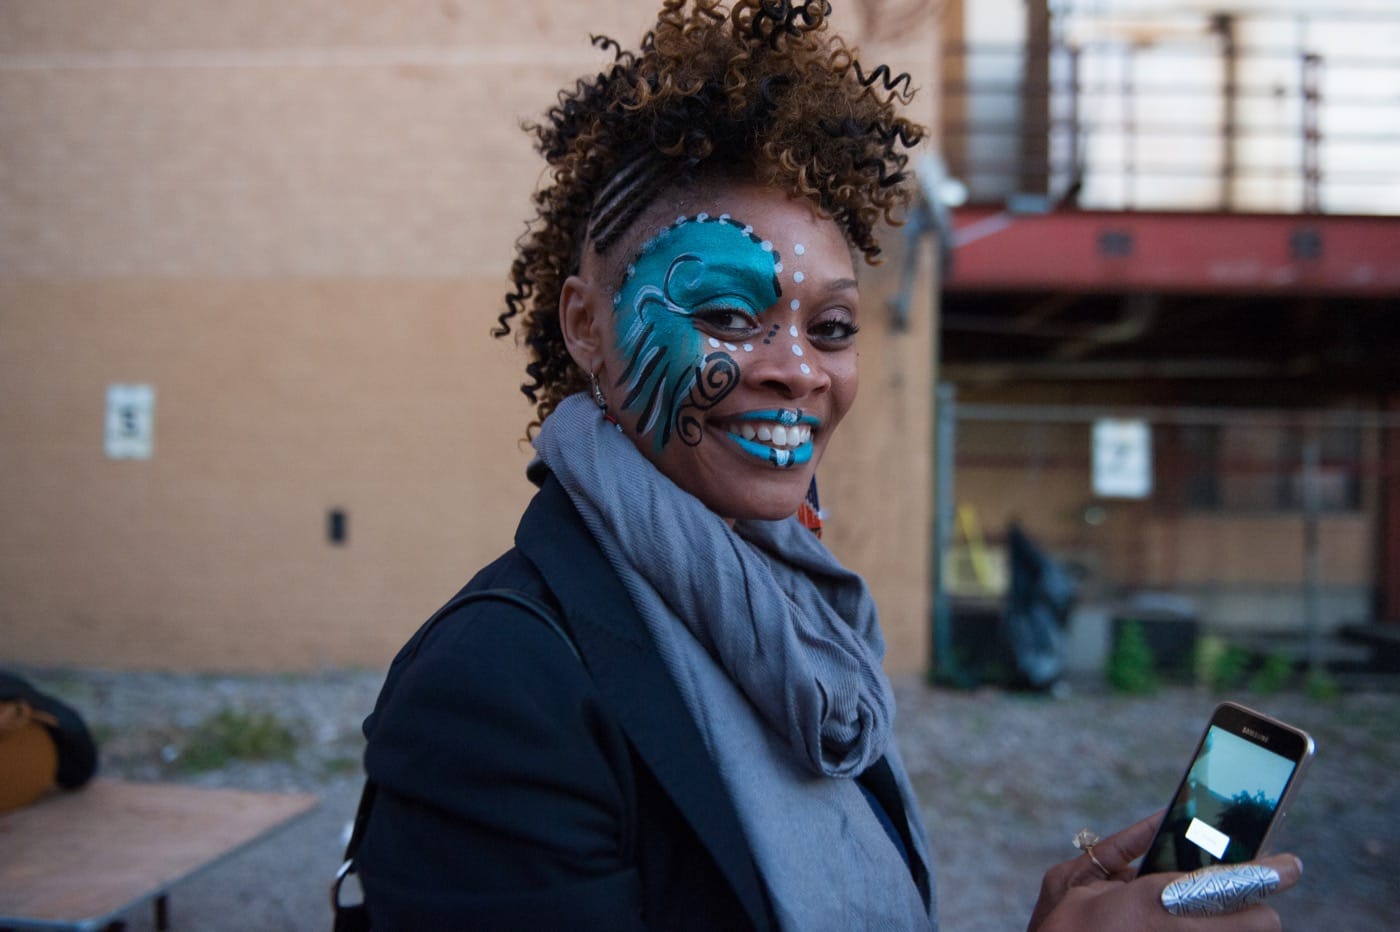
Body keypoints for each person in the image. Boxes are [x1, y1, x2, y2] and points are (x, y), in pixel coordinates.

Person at [352, 1, 1302, 928]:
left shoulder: (813, 637)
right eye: (726, 315)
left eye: (833, 327)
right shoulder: (496, 685)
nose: (798, 370)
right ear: (587, 326)